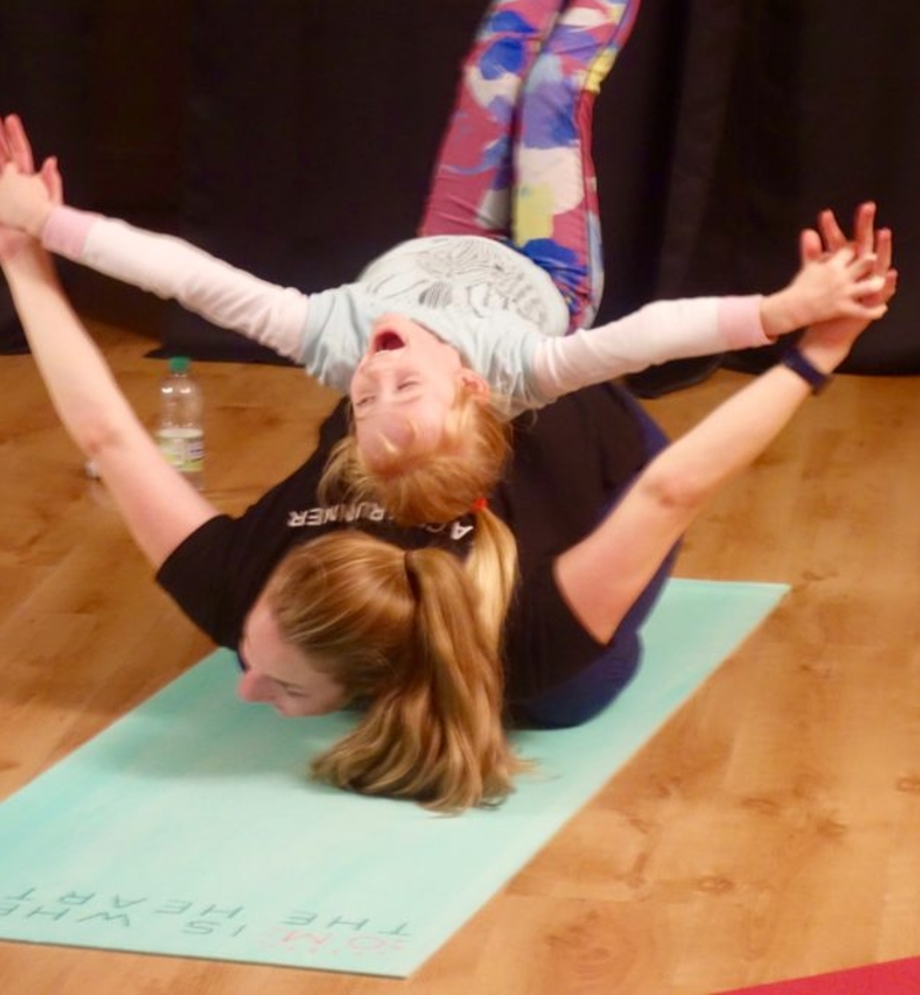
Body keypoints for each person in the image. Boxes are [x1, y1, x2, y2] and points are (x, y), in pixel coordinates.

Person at [0, 0, 889, 526]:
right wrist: (780, 310)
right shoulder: (523, 370)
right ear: (470, 387)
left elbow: (189, 278)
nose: (379, 373)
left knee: (491, 71)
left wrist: (49, 223)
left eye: (364, 399)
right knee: (554, 88)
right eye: (404, 389)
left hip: (450, 230)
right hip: (549, 265)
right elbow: (651, 337)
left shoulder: (332, 341)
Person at [0, 116, 897, 811]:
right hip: (586, 438)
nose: (243, 684)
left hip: (428, 400)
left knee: (399, 410)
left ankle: (407, 405)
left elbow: (109, 437)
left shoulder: (237, 593)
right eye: (281, 682)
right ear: (374, 678)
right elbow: (670, 491)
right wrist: (812, 355)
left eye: (256, 663)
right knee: (566, 700)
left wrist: (22, 257)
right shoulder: (531, 649)